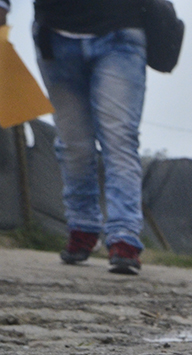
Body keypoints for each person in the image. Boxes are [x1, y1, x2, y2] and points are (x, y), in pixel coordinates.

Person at [0, 0, 147, 275]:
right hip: (55, 36)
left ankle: (124, 237)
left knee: (119, 138)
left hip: (121, 32)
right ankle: (83, 227)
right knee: (73, 143)